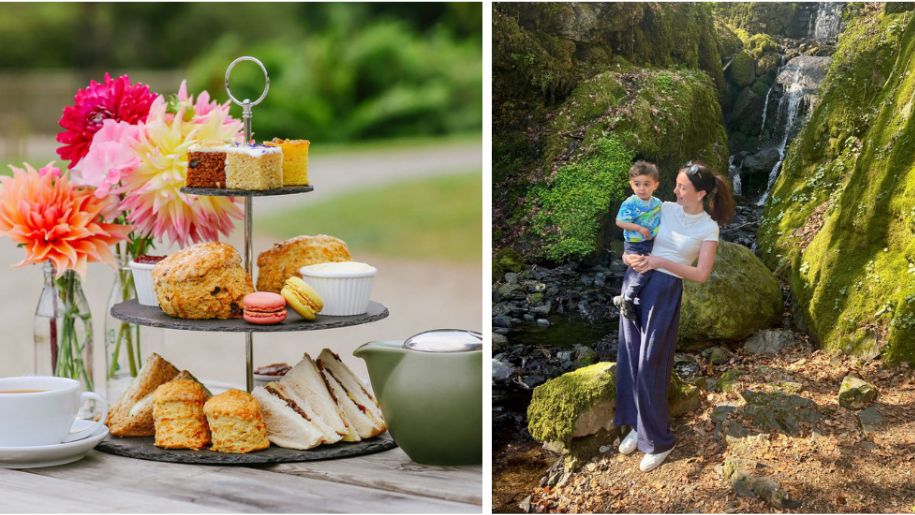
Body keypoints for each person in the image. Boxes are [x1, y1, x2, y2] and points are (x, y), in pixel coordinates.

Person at [614, 161, 735, 472]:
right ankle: (637, 427)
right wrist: (628, 256)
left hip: (665, 290)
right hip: (636, 280)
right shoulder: (663, 208)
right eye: (677, 184)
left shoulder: (708, 228)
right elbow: (631, 237)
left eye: (682, 187)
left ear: (701, 193)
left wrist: (660, 262)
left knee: (650, 363)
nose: (675, 190)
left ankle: (659, 441)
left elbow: (701, 273)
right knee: (629, 355)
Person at [613, 161, 662, 320]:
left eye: (646, 184)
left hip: (652, 242)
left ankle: (627, 297)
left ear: (655, 185)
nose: (642, 188)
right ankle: (627, 298)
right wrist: (638, 228)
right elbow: (620, 222)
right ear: (631, 185)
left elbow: (663, 220)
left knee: (650, 268)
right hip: (635, 243)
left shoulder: (657, 204)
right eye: (637, 184)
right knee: (644, 268)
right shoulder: (630, 203)